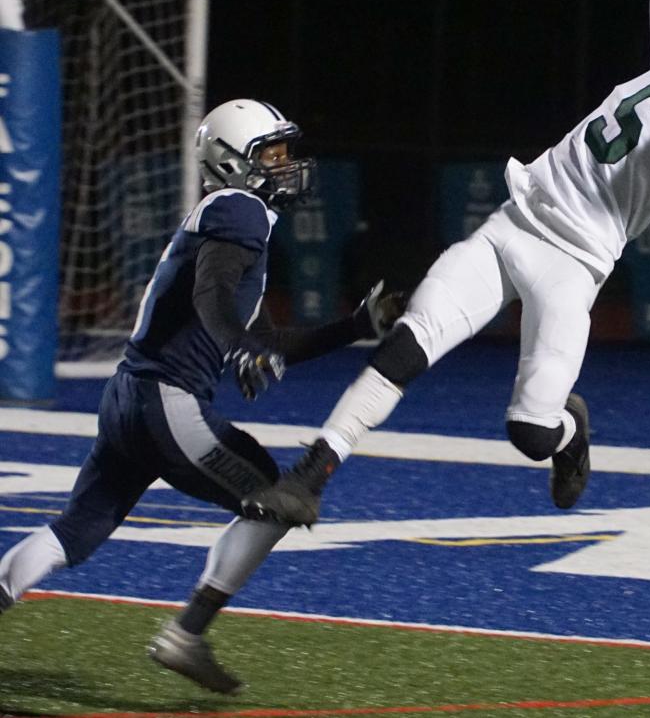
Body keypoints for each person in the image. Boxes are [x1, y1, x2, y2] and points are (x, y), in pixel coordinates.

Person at [240, 0, 650, 530]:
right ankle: (310, 477)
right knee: (411, 341)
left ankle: (571, 434)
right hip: (514, 221)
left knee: (531, 432)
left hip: (574, 263)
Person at [0, 99, 404, 693]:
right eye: (272, 153)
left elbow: (265, 338)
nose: (287, 164)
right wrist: (240, 347)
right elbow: (211, 295)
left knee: (77, 529)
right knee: (279, 497)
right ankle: (187, 633)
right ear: (231, 161)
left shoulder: (234, 217)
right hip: (166, 398)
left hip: (129, 398)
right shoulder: (238, 209)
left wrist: (352, 327)